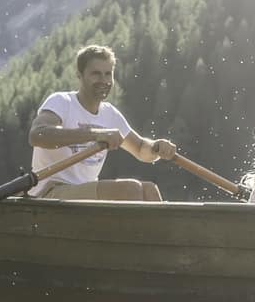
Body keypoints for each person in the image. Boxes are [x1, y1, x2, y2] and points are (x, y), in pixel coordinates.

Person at [27, 45, 176, 200]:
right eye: (96, 74)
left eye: (108, 74)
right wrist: (96, 134)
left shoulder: (110, 114)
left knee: (150, 190)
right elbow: (38, 135)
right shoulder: (61, 102)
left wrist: (156, 148)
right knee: (130, 190)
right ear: (80, 75)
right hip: (50, 192)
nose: (103, 80)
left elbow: (140, 149)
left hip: (84, 194)